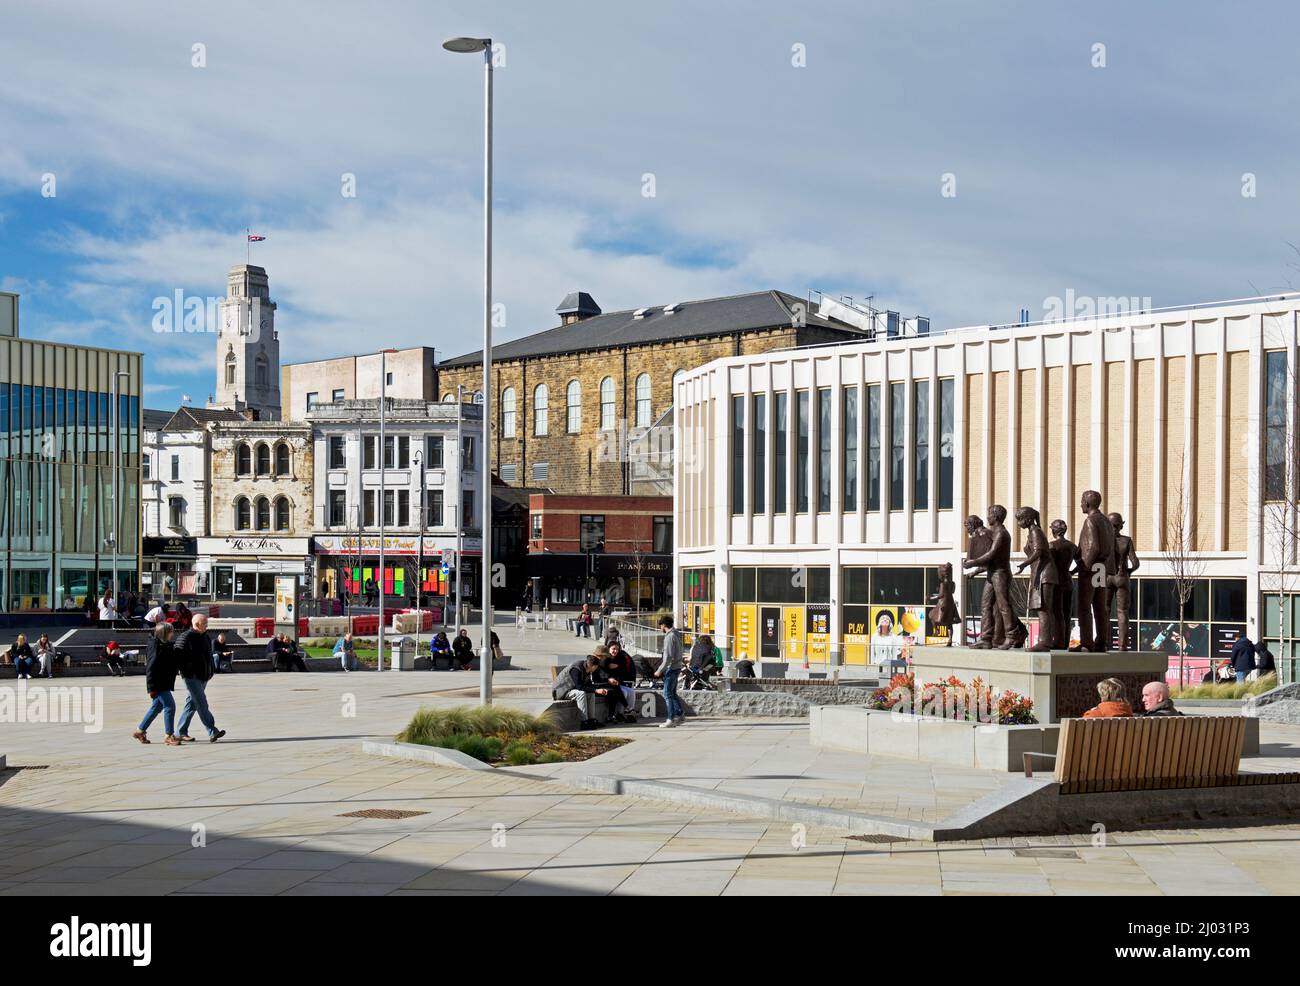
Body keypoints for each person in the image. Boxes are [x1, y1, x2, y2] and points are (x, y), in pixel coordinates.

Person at [175, 614, 225, 743]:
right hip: (192, 677)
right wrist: (187, 672)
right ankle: (212, 730)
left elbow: (209, 655)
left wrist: (211, 670)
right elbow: (178, 657)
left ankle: (180, 731)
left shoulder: (205, 637)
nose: (207, 627)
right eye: (205, 624)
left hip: (204, 676)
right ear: (196, 624)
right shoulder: (185, 637)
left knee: (192, 704)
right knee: (202, 703)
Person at [133, 623, 182, 746]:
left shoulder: (163, 644)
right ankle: (169, 735)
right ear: (163, 633)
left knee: (157, 707)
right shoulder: (155, 646)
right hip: (159, 683)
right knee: (170, 706)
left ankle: (140, 731)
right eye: (170, 632)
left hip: (163, 681)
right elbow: (151, 667)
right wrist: (151, 687)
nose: (173, 634)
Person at [551, 652, 608, 730]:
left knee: (591, 693)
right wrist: (596, 690)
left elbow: (588, 685)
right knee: (581, 693)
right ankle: (584, 722)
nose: (596, 669)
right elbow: (580, 686)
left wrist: (599, 689)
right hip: (561, 692)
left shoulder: (587, 669)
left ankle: (591, 720)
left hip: (571, 690)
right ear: (593, 666)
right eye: (596, 667)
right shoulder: (576, 668)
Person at [654, 615, 685, 727]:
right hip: (677, 667)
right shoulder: (676, 634)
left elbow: (668, 657)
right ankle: (680, 714)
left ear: (663, 625)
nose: (660, 629)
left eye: (660, 626)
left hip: (671, 668)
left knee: (667, 694)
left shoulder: (669, 637)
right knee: (672, 692)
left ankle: (670, 719)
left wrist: (659, 670)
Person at [603, 641, 638, 722]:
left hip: (617, 683)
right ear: (608, 649)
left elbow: (623, 671)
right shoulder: (605, 659)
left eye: (617, 649)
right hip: (607, 683)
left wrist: (618, 667)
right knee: (624, 692)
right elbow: (603, 674)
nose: (615, 651)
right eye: (613, 649)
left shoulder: (620, 658)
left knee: (631, 691)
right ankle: (619, 713)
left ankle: (629, 713)